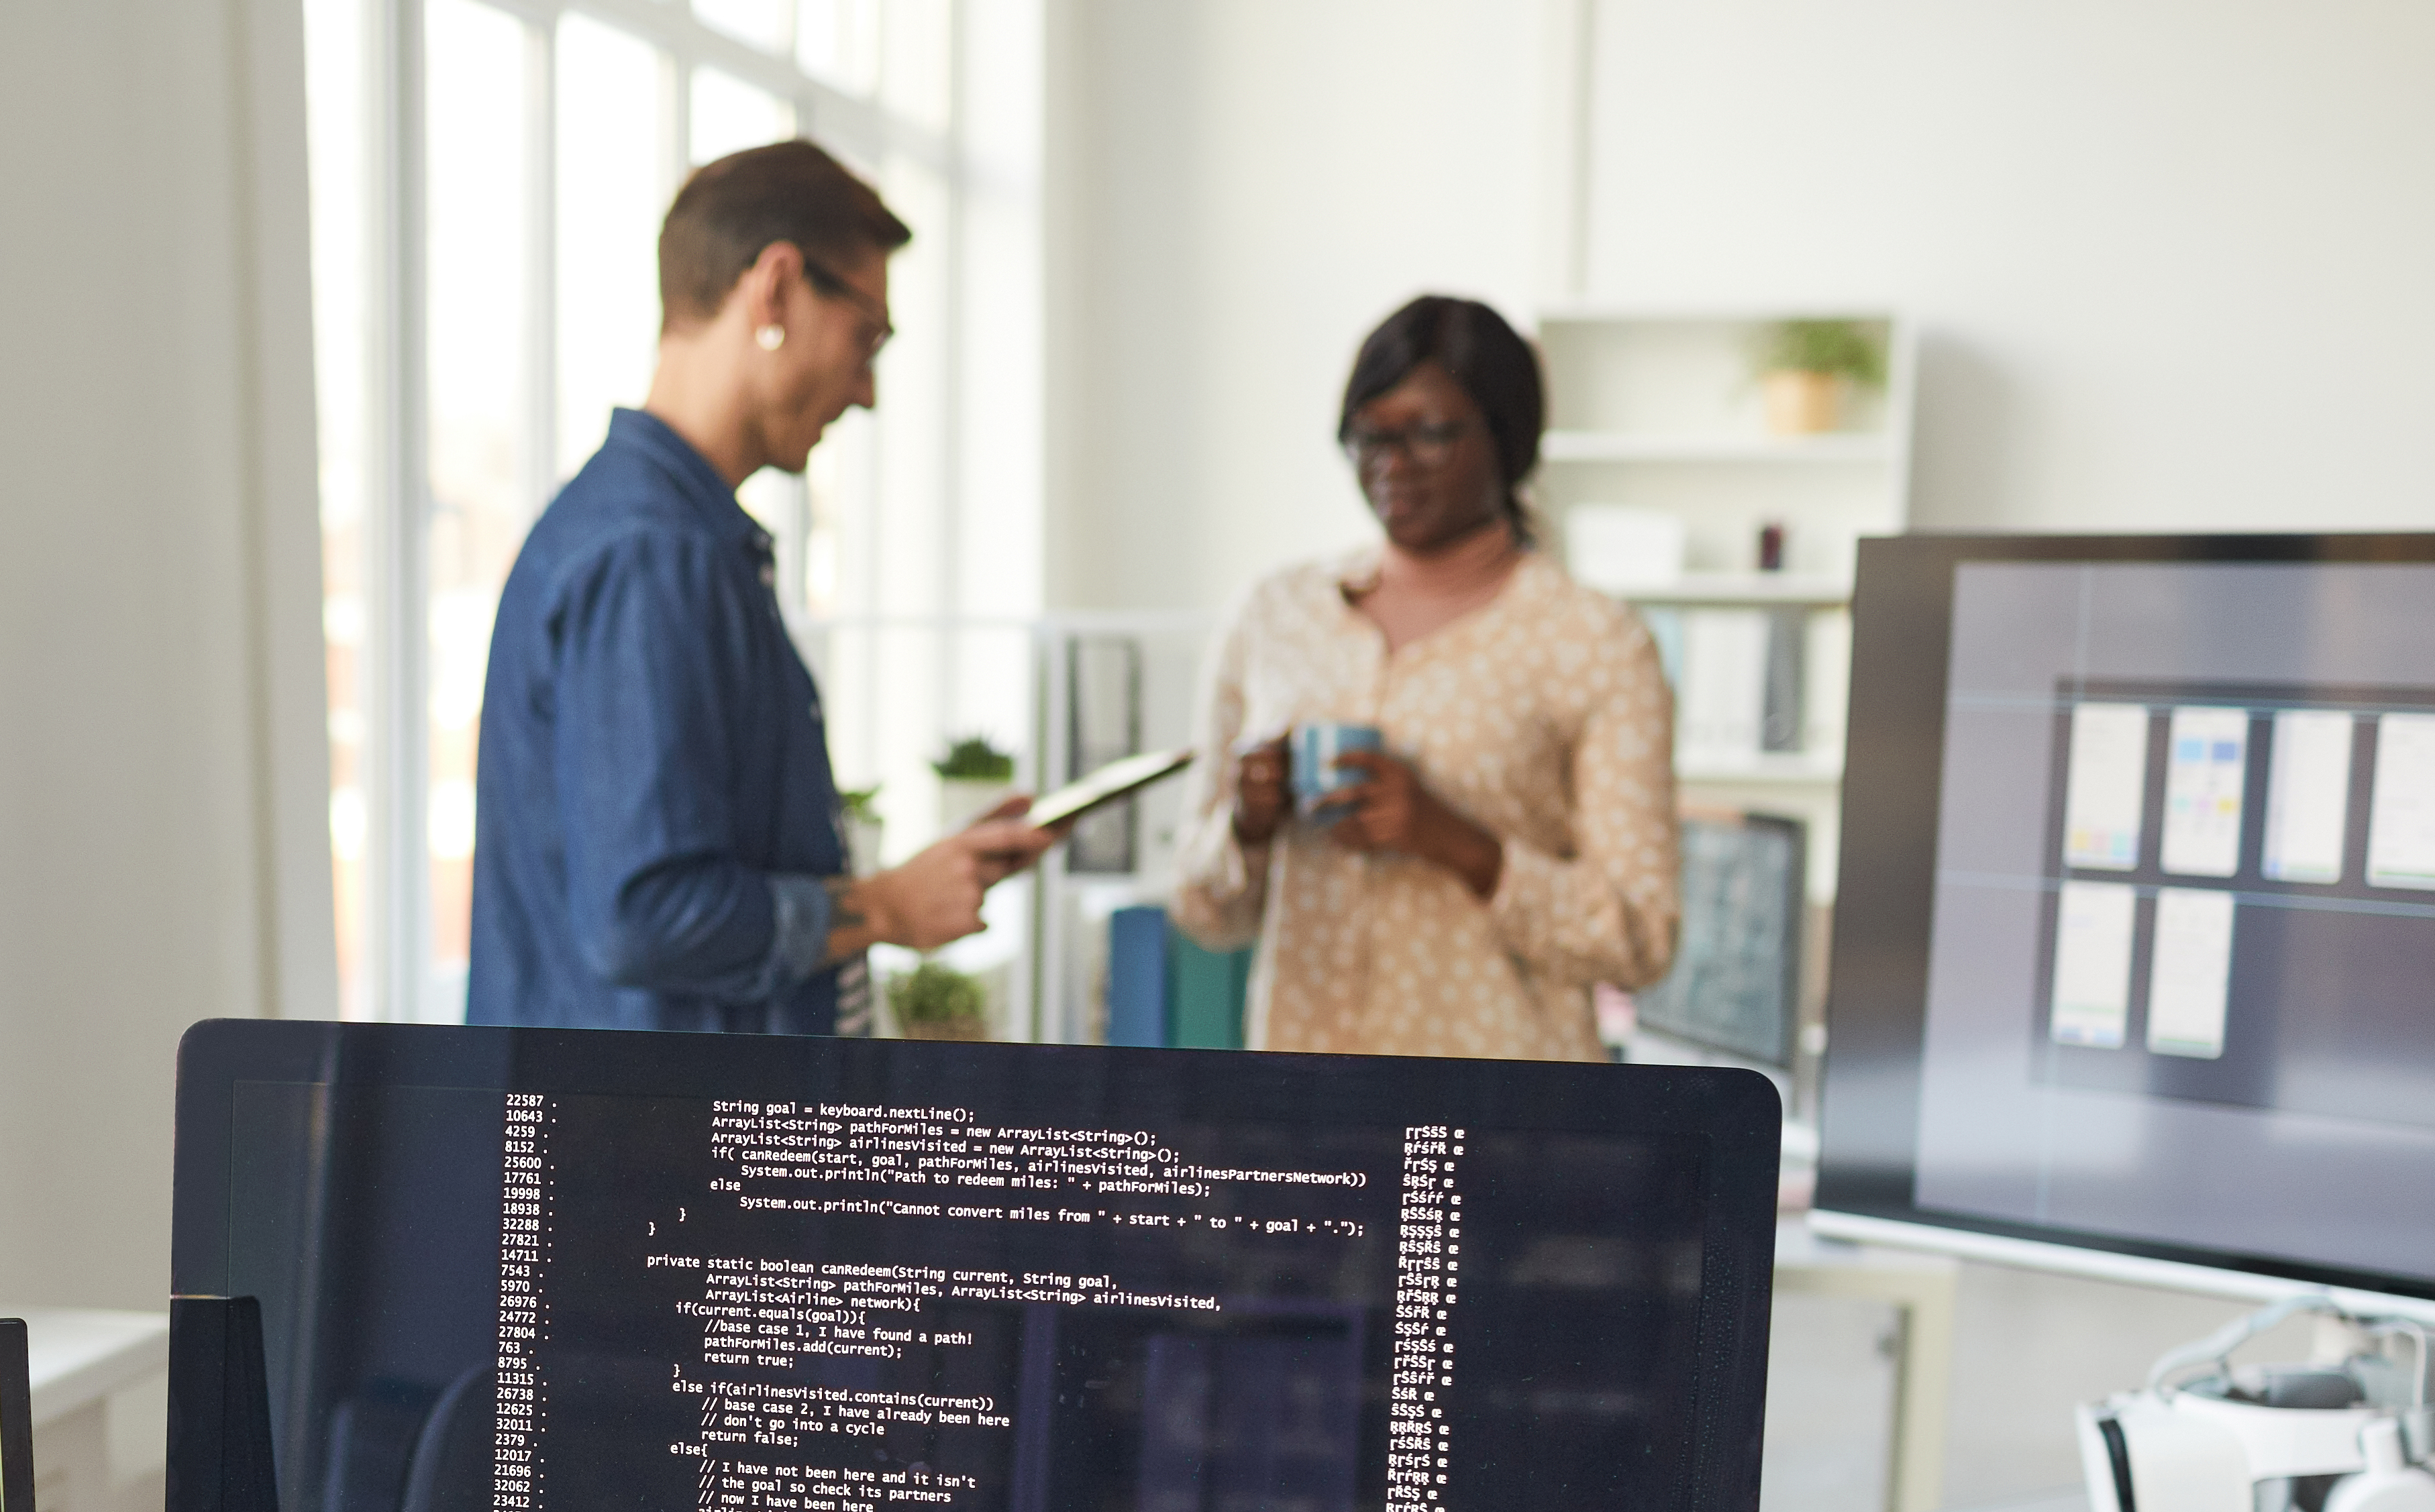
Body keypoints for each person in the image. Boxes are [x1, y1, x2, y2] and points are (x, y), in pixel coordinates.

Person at [469, 142, 1051, 1032]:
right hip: (650, 1154)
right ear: (775, 289)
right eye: (868, 336)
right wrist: (886, 908)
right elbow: (644, 918)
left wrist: (906, 889)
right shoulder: (655, 553)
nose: (866, 391)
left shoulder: (664, 537)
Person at [1164, 294, 1679, 1060]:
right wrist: (1247, 825)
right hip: (1307, 1114)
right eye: (1368, 437)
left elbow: (1639, 939)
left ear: (1508, 437)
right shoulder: (1275, 615)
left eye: (1431, 434)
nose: (1392, 465)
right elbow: (1202, 910)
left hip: (1501, 1124)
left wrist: (1460, 844)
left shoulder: (1594, 639)